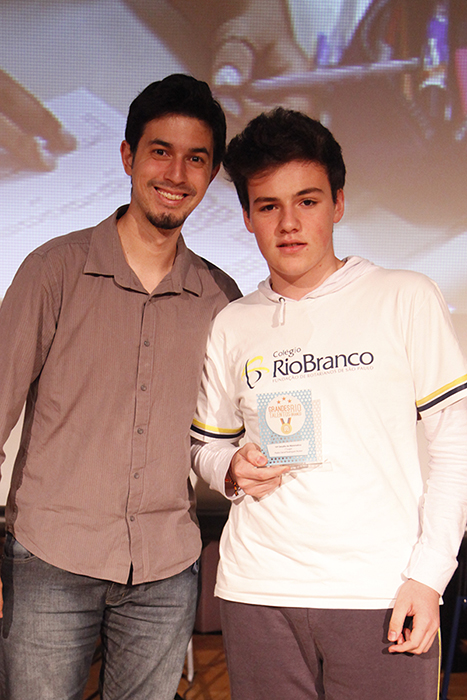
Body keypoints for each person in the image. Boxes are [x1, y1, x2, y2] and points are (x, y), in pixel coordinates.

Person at [191, 107, 467, 700]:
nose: (289, 223)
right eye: (269, 206)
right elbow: (206, 448)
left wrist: (429, 576)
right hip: (257, 589)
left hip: (380, 590)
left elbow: (457, 447)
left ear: (338, 203)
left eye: (307, 201)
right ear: (247, 217)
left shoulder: (405, 297)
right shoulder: (233, 323)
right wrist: (231, 470)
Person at [0, 73, 241, 700]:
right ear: (129, 156)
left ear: (212, 173)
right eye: (161, 151)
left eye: (196, 159)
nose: (176, 174)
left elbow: (226, 433)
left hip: (166, 567)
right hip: (50, 559)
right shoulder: (53, 270)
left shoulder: (221, 297)